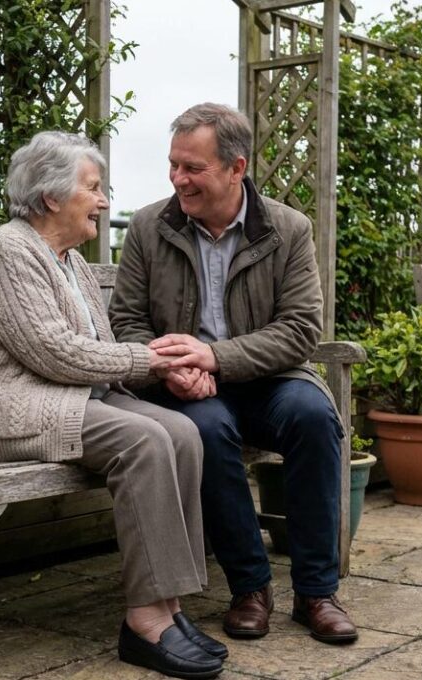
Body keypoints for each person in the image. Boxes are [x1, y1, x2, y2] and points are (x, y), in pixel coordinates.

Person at [0, 131, 227, 679]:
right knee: (144, 440)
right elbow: (53, 353)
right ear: (53, 197)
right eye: (93, 188)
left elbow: (94, 353)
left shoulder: (70, 262)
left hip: (66, 399)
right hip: (5, 409)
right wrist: (151, 361)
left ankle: (171, 605)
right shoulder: (7, 249)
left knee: (182, 432)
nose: (104, 201)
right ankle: (145, 622)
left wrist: (171, 370)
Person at [109, 103, 358, 645]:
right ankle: (250, 587)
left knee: (316, 418)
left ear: (235, 168)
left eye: (192, 168)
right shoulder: (150, 227)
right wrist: (171, 367)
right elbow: (126, 321)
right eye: (173, 165)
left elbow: (299, 330)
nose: (178, 178)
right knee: (207, 429)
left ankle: (316, 592)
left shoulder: (288, 229)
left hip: (270, 380)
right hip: (186, 387)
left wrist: (217, 357)